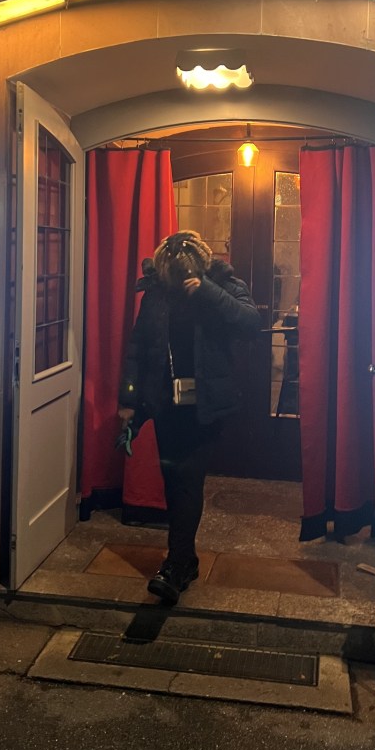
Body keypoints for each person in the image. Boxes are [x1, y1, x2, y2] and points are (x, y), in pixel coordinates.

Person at [118, 231, 261, 604]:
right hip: (165, 403)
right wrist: (129, 400)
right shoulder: (157, 292)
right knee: (173, 480)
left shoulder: (222, 282)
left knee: (187, 480)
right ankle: (187, 560)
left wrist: (207, 291)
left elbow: (250, 322)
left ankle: (176, 565)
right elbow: (137, 348)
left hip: (205, 405)